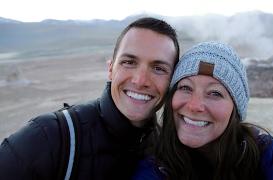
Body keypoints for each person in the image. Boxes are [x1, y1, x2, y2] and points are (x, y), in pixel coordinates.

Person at [0, 17, 180, 179]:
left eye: (158, 68)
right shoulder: (45, 138)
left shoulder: (165, 150)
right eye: (129, 62)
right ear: (110, 69)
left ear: (172, 81)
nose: (140, 81)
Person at [132, 41, 273, 180]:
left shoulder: (266, 155)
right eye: (186, 88)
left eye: (214, 93)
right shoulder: (153, 163)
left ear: (235, 109)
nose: (194, 106)